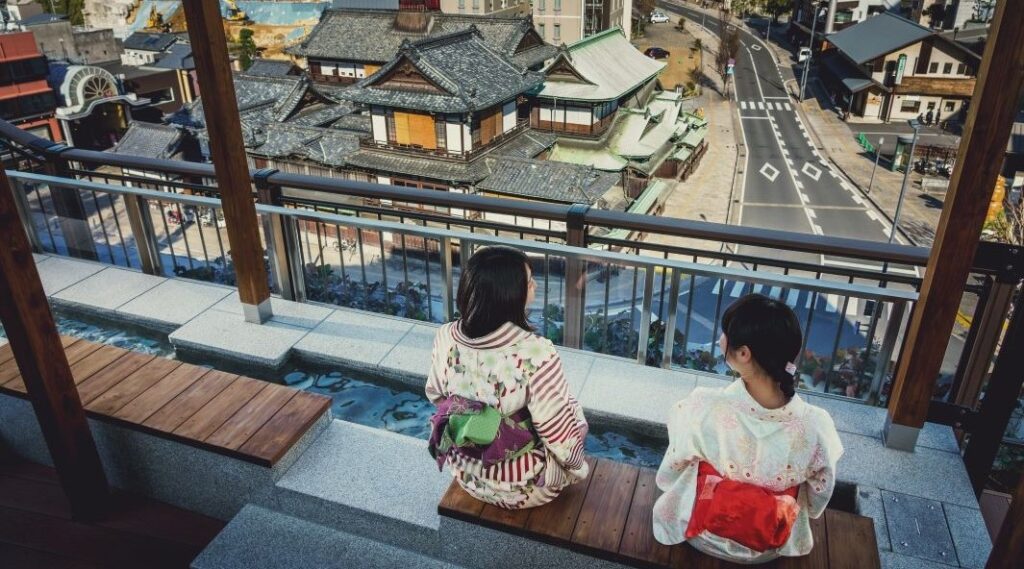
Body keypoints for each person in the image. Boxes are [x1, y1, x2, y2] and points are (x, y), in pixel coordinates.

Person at [653, 294, 843, 564]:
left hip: (704, 531)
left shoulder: (703, 405)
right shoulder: (815, 425)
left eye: (725, 333)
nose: (721, 338)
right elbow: (819, 496)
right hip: (768, 544)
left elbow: (673, 466)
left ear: (743, 354)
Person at [426, 246, 589, 509]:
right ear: (508, 295)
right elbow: (557, 432)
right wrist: (578, 468)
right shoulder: (536, 353)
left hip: (467, 475)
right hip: (525, 489)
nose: (535, 285)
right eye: (529, 281)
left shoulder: (446, 336)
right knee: (574, 413)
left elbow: (435, 394)